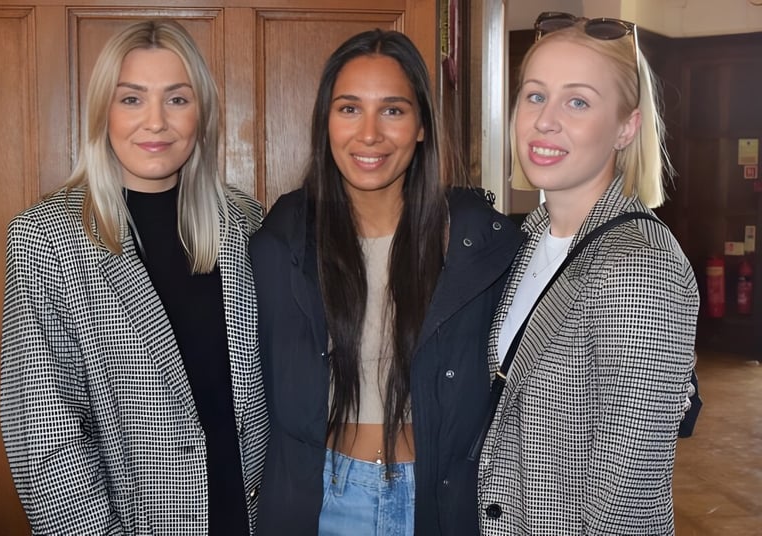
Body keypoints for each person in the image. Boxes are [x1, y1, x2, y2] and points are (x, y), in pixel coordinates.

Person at [0, 20, 267, 535]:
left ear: (202, 113)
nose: (156, 122)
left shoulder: (247, 223)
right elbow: (44, 438)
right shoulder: (46, 239)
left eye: (177, 99)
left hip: (252, 516)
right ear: (103, 111)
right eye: (131, 99)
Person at [250, 29, 523, 535]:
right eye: (349, 109)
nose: (369, 133)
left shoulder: (480, 245)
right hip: (325, 501)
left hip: (438, 501)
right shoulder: (281, 241)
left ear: (421, 125)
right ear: (325, 122)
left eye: (393, 110)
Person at [477, 12, 699, 535]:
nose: (545, 120)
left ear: (626, 126)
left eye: (577, 101)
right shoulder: (524, 241)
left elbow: (628, 491)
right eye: (535, 95)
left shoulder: (639, 265)